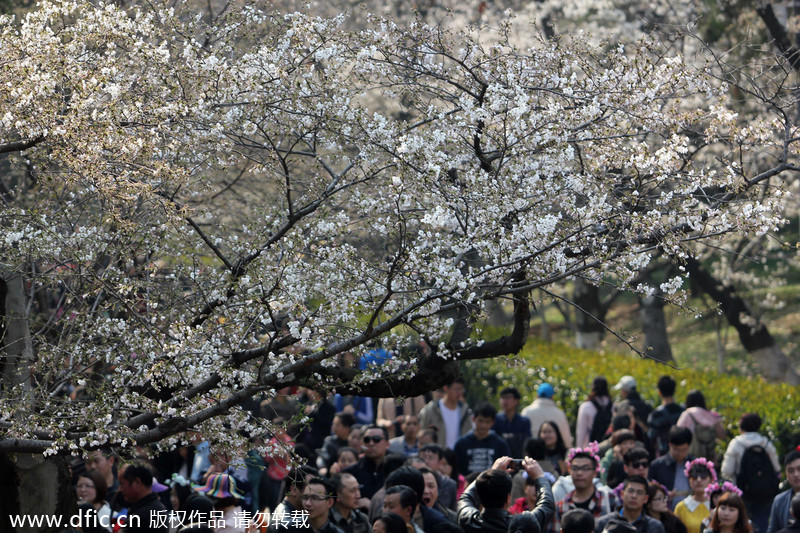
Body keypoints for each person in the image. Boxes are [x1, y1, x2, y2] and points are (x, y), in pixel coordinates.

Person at [457, 456, 554, 533]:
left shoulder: (470, 521)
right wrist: (540, 477)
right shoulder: (521, 524)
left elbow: (465, 498)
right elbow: (547, 506)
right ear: (508, 498)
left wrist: (489, 474)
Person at [721, 413, 780, 533]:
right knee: (762, 524)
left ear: (741, 427)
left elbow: (726, 471)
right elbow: (777, 469)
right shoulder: (766, 443)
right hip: (765, 492)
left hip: (743, 491)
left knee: (742, 523)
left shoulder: (736, 444)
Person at [552, 446, 616, 533]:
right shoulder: (560, 507)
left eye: (585, 469)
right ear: (569, 470)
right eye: (575, 468)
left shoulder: (610, 499)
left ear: (595, 472)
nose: (579, 473)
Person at [453, 402, 511, 476]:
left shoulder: (500, 444)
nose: (483, 425)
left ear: (493, 422)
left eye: (487, 422)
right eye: (480, 421)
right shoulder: (461, 444)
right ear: (474, 419)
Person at [345, 426, 399, 501]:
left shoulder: (398, 468)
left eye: (376, 439)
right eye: (366, 440)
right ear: (361, 443)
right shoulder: (351, 473)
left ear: (387, 444)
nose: (371, 443)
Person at [595, 475, 666, 533]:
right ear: (622, 494)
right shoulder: (604, 523)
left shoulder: (654, 527)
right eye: (630, 491)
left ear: (646, 499)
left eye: (639, 493)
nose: (634, 496)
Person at [418, 377, 472, 450]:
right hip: (437, 455)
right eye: (456, 389)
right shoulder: (430, 410)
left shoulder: (465, 411)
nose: (459, 393)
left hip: (459, 455)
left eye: (461, 389)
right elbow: (422, 432)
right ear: (446, 388)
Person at [649, 427, 693, 509]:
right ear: (670, 445)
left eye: (684, 450)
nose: (680, 454)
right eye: (676, 449)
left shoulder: (694, 464)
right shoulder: (657, 466)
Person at [676, 390, 725, 462]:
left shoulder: (687, 414)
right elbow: (722, 435)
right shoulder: (711, 415)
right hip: (709, 459)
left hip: (691, 458)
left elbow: (677, 434)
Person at [118, 463, 168, 533]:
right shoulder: (159, 508)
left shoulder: (140, 517)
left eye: (122, 484)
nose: (120, 489)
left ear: (137, 482)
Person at [522, 383, 573, 448]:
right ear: (552, 397)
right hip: (555, 455)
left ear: (537, 395)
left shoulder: (527, 411)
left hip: (532, 454)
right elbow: (566, 439)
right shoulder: (560, 414)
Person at [647, 377, 685, 459]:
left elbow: (651, 438)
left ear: (659, 392)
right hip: (683, 453)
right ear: (674, 391)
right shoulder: (683, 411)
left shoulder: (656, 414)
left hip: (664, 454)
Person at [674, 458, 715, 533]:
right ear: (689, 481)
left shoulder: (717, 507)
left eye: (703, 476)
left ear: (711, 480)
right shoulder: (681, 507)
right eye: (694, 477)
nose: (699, 480)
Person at [494, 386, 533, 458]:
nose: (504, 401)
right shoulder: (495, 420)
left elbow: (527, 443)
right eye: (502, 398)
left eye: (508, 397)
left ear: (516, 401)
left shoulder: (524, 421)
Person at [767, 450, 800, 533]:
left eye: (799, 469)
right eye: (791, 471)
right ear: (786, 474)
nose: (796, 474)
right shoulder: (779, 500)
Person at [576, 377, 613, 448]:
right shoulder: (613, 406)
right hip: (609, 446)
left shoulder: (586, 406)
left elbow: (581, 432)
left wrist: (579, 449)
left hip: (592, 448)